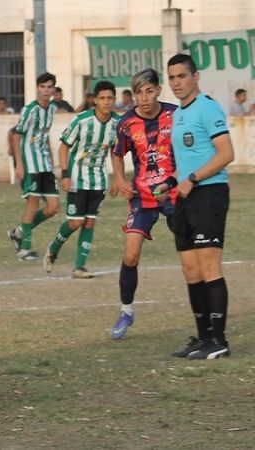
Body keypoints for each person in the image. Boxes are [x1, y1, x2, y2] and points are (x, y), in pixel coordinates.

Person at [163, 54, 235, 360]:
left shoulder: (207, 107)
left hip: (209, 193)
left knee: (208, 267)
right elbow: (187, 160)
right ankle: (203, 337)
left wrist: (192, 178)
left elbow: (226, 154)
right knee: (190, 269)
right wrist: (170, 181)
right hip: (186, 195)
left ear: (196, 76)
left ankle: (219, 340)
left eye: (181, 76)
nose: (176, 82)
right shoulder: (179, 114)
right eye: (172, 77)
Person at [107, 68, 178, 340]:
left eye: (149, 91)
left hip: (173, 193)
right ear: (133, 95)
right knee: (130, 255)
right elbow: (117, 153)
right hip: (142, 196)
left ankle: (206, 315)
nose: (144, 98)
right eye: (139, 93)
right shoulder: (126, 123)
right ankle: (126, 311)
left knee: (190, 253)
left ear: (159, 90)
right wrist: (120, 179)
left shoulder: (175, 115)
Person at [43, 81, 120, 278]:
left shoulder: (117, 123)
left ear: (114, 99)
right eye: (102, 98)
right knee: (76, 222)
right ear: (95, 100)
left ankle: (79, 267)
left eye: (109, 98)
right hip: (77, 177)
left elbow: (116, 153)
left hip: (99, 179)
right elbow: (63, 147)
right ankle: (53, 248)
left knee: (90, 222)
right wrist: (65, 174)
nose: (106, 102)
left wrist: (117, 179)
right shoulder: (82, 120)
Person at [7, 72, 59, 261]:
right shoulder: (29, 110)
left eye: (49, 87)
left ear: (53, 90)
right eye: (42, 87)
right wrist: (19, 164)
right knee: (33, 203)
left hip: (44, 163)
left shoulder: (52, 109)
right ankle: (25, 249)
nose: (46, 90)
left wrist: (51, 160)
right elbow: (15, 135)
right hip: (30, 163)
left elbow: (45, 135)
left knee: (53, 207)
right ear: (37, 88)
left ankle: (19, 232)